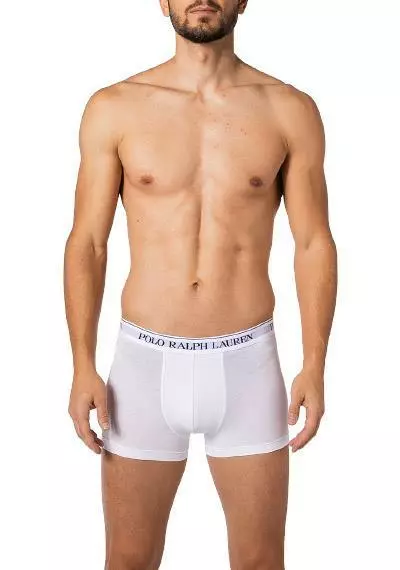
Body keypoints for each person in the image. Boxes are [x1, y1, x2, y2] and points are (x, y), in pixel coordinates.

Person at [64, 1, 337, 568]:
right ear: (162, 2)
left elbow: (313, 242)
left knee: (261, 562)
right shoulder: (115, 108)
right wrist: (81, 363)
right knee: (128, 559)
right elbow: (87, 242)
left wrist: (315, 364)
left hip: (247, 364)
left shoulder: (289, 109)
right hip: (143, 365)